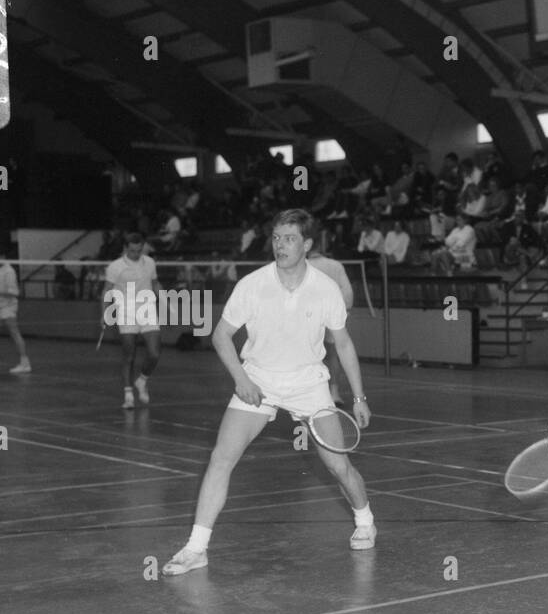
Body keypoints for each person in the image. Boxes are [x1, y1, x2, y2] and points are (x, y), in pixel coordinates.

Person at [161, 209, 374, 576]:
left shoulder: (326, 289)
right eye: (276, 238)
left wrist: (358, 397)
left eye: (289, 238)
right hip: (259, 381)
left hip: (309, 385)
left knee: (338, 467)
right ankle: (197, 548)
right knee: (221, 457)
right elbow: (221, 336)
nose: (280, 245)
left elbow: (344, 344)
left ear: (307, 244)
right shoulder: (252, 284)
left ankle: (365, 519)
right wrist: (242, 379)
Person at [102, 232, 160, 407]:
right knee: (129, 356)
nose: (137, 254)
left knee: (154, 353)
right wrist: (105, 313)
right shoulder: (115, 267)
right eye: (133, 250)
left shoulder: (149, 262)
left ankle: (142, 380)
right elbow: (107, 291)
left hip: (147, 309)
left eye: (139, 250)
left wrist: (166, 301)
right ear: (125, 248)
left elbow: (155, 283)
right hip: (125, 312)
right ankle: (128, 395)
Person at [307, 242, 355, 406]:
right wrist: (345, 311)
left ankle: (313, 394)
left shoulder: (303, 266)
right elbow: (347, 291)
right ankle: (334, 393)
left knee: (311, 355)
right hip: (333, 316)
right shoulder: (336, 265)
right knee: (334, 354)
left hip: (310, 317)